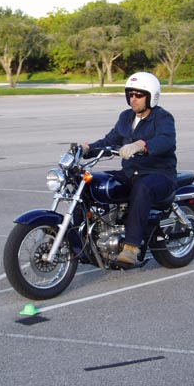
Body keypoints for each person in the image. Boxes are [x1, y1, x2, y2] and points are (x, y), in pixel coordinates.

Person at [82, 72, 178, 265]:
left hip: (159, 174)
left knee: (143, 188)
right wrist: (87, 149)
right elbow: (110, 140)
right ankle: (84, 240)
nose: (133, 99)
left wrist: (141, 145)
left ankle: (131, 248)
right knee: (89, 182)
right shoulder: (126, 117)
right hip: (130, 173)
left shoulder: (163, 117)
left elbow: (166, 139)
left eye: (138, 95)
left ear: (151, 97)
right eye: (130, 94)